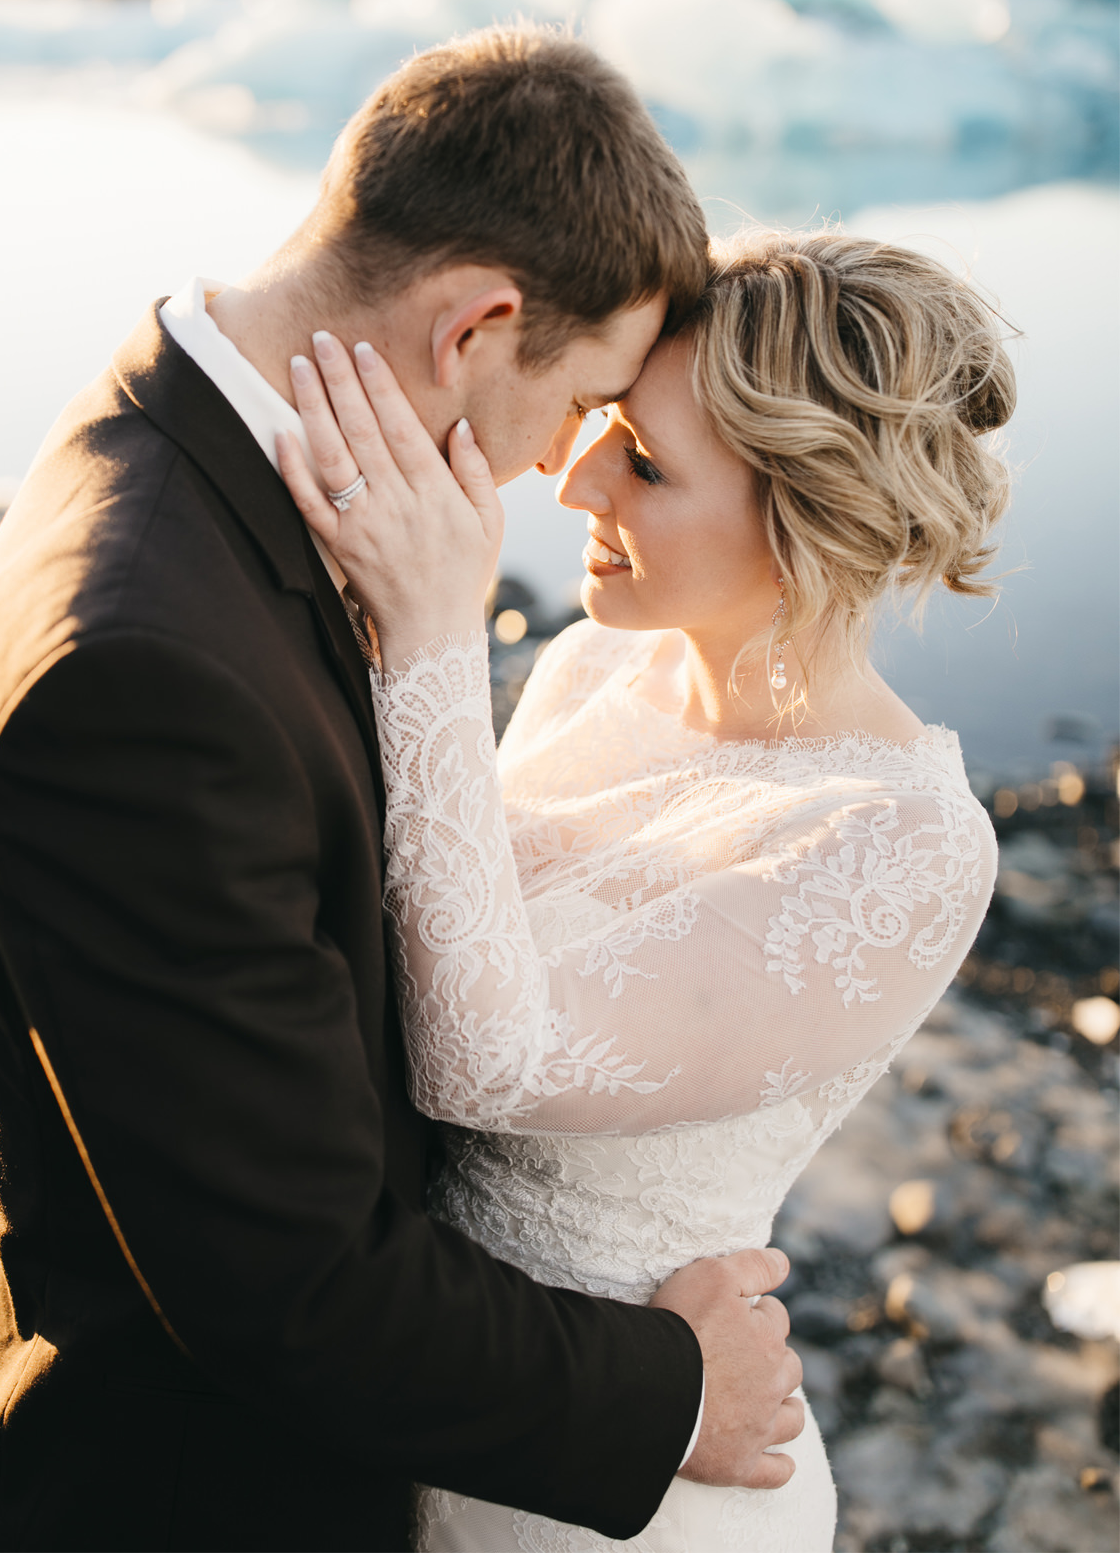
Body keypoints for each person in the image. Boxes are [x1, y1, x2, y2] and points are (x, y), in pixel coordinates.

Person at [0, 27, 803, 1551]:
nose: (548, 470)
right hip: (198, 1499)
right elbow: (290, 1287)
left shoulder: (173, 429)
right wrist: (665, 1388)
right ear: (476, 328)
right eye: (570, 401)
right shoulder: (141, 680)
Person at [273, 228, 1006, 1550]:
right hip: (426, 1393)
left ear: (810, 521)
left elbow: (480, 1062)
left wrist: (432, 634)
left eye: (650, 463)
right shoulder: (595, 670)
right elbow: (426, 918)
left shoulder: (903, 841)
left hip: (633, 1485)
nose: (578, 478)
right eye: (607, 422)